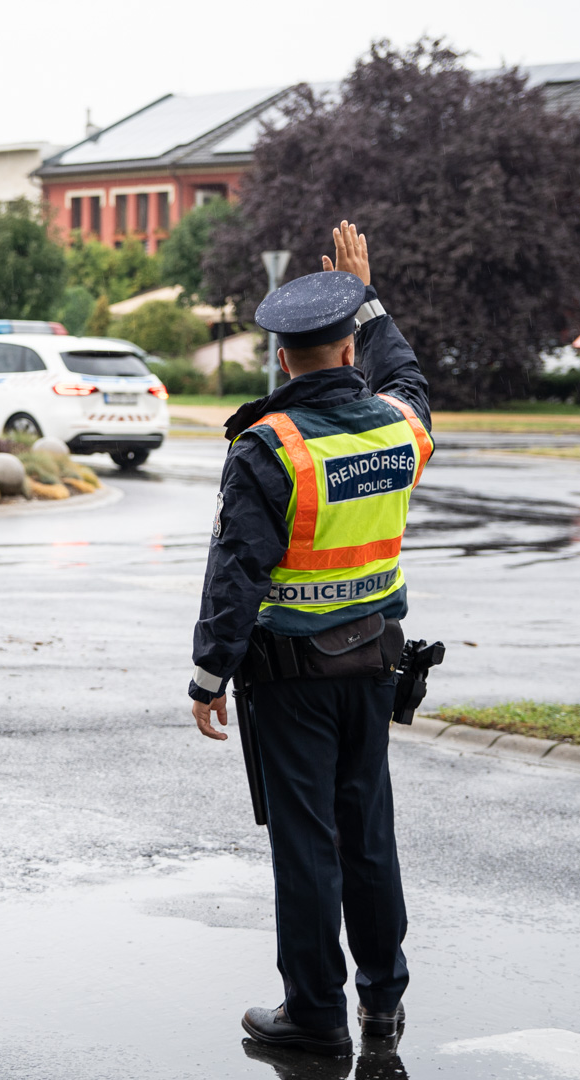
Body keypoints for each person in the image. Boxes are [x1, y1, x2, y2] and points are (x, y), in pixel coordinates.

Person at [189, 221, 431, 1058]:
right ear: (346, 345)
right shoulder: (400, 428)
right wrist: (373, 301)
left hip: (290, 683)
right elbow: (407, 376)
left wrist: (207, 675)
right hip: (376, 669)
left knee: (307, 845)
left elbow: (237, 572)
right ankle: (385, 1006)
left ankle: (316, 1014)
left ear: (283, 357)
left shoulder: (270, 446)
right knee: (368, 836)